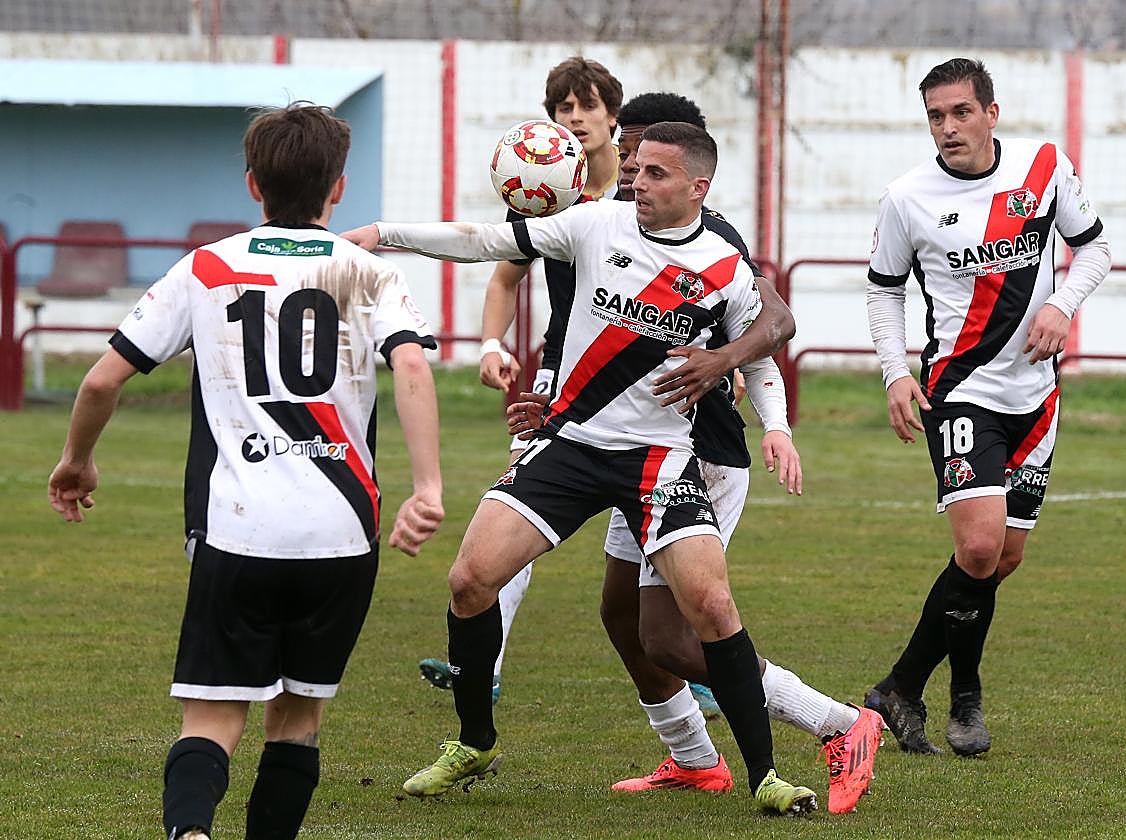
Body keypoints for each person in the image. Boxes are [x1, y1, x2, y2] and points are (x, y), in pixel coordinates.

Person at [345, 122, 826, 816]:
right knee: (470, 579)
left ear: (699, 187)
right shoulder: (594, 224)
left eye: (656, 174)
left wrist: (776, 429)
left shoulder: (723, 266)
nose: (637, 182)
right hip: (569, 443)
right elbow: (485, 242)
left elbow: (758, 357)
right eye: (634, 170)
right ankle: (474, 741)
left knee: (713, 607)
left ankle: (766, 777)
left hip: (661, 461)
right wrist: (383, 233)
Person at [47, 102, 444, 840]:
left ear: (253, 184)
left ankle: (191, 832)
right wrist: (428, 489)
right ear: (339, 189)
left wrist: (78, 461)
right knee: (296, 722)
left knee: (212, 715)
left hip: (238, 529)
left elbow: (102, 381)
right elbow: (413, 365)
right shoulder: (369, 273)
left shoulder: (208, 266)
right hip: (341, 536)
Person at [505, 91, 883, 814]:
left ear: (693, 173)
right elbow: (603, 349)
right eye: (631, 152)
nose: (634, 172)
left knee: (674, 637)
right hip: (621, 450)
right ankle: (693, 758)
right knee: (623, 617)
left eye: (652, 158)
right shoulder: (604, 224)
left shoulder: (715, 240)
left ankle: (839, 724)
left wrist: (750, 392)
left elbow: (773, 325)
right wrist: (555, 406)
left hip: (695, 454)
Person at [864, 58, 1111, 756]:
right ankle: (959, 696)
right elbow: (884, 290)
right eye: (936, 116)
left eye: (961, 112)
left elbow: (1094, 250)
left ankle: (903, 689)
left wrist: (1063, 304)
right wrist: (893, 373)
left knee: (1000, 559)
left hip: (1037, 397)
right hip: (961, 391)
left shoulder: (1042, 168)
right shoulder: (907, 197)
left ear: (991, 112)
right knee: (975, 547)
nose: (948, 127)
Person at [420, 56, 626, 704]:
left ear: (612, 116)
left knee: (657, 523)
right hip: (560, 372)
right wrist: (488, 344)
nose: (575, 118)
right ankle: (485, 660)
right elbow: (504, 279)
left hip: (643, 376)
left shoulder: (646, 190)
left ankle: (694, 661)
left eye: (587, 107)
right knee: (514, 508)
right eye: (563, 109)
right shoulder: (549, 198)